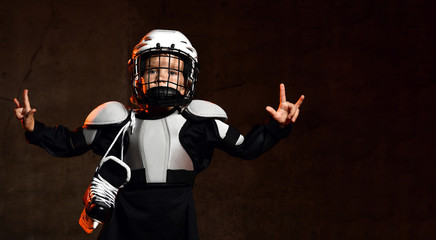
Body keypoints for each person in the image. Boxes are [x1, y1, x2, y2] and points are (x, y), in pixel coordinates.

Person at [13, 29, 304, 240]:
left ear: (188, 78)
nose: (162, 77)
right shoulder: (118, 120)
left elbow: (246, 148)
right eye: (153, 70)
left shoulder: (202, 121)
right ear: (138, 75)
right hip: (126, 215)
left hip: (177, 216)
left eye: (173, 71)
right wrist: (34, 129)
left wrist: (277, 127)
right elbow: (71, 144)